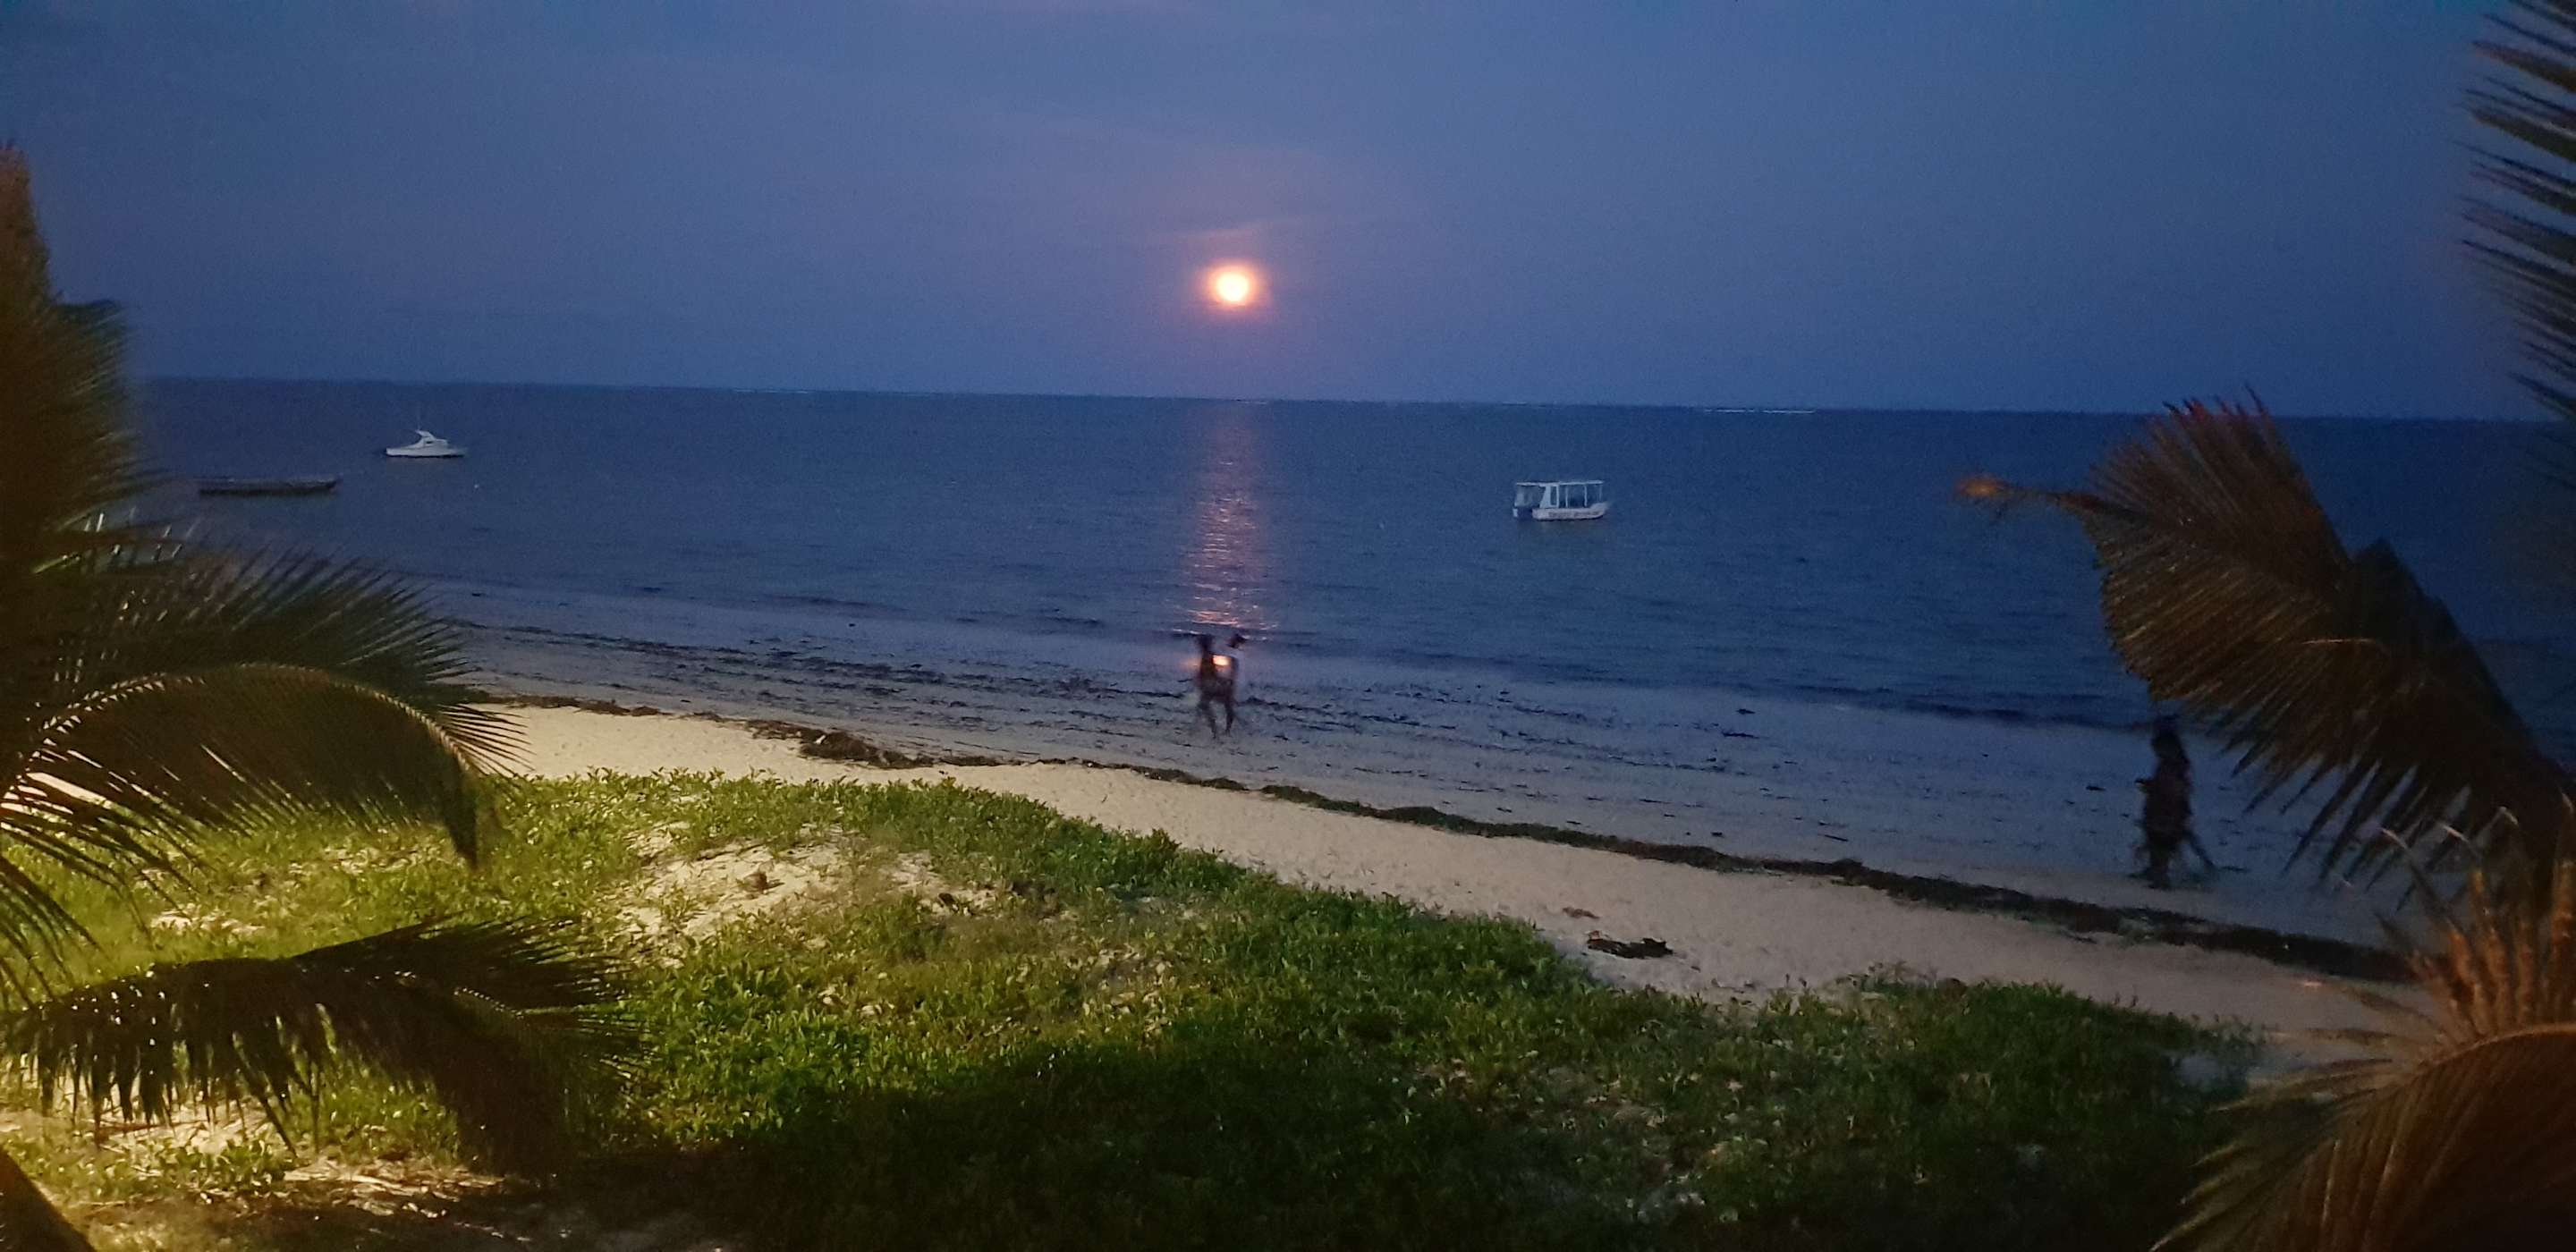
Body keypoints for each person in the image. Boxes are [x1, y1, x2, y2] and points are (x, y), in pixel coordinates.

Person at [2136, 716, 2216, 888]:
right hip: (2167, 810)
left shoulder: (2171, 766)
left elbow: (2172, 790)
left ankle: (2161, 877)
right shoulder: (2173, 764)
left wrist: (2154, 789)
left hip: (2166, 811)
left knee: (2161, 841)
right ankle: (2159, 872)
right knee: (2162, 840)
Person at [1191, 632, 1238, 737]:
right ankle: (1224, 730)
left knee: (1204, 705)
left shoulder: (1207, 656)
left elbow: (1209, 673)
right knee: (1226, 706)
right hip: (1213, 684)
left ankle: (1216, 730)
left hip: (1210, 685)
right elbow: (1211, 672)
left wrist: (1200, 680)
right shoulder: (1208, 655)